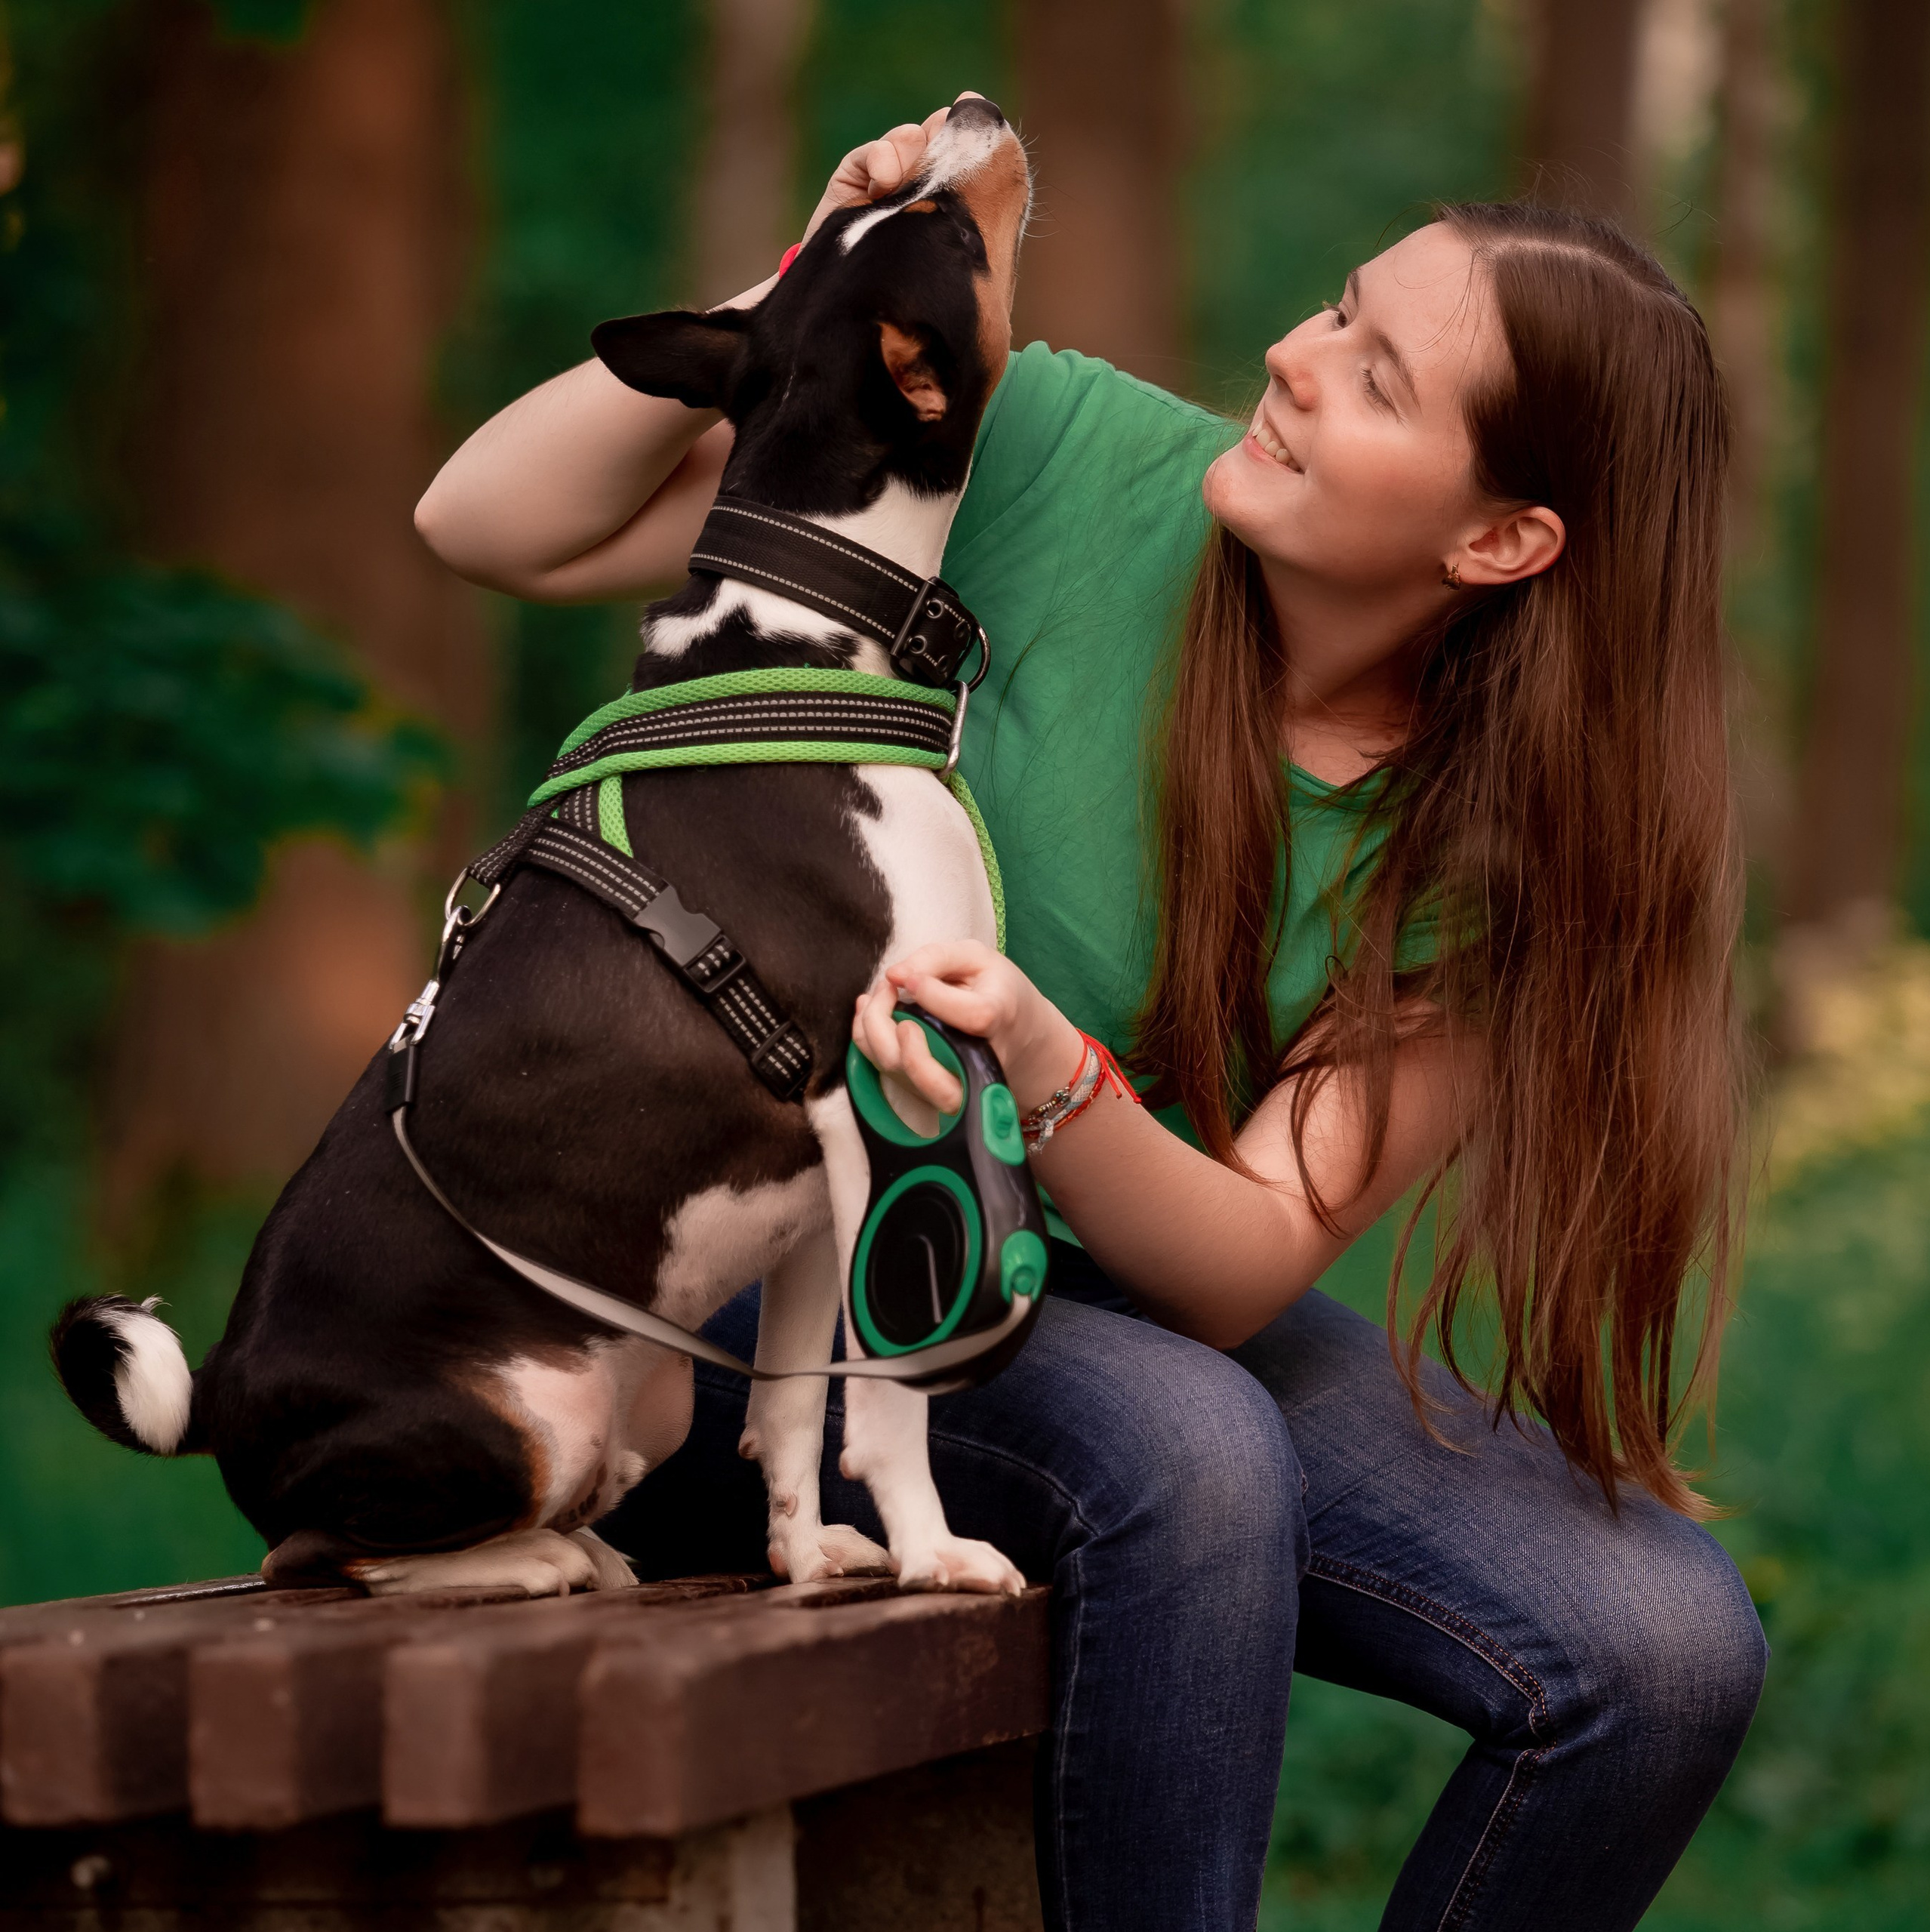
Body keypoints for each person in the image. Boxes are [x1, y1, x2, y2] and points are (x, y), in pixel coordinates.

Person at [415, 102, 1767, 1932]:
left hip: (1111, 1301)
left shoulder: (1500, 845)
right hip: (785, 1251)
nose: (1290, 361)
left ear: (1502, 539)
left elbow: (1236, 1263)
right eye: (1333, 310)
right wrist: (812, 273)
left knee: (1665, 1646)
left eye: (1373, 379)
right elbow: (485, 519)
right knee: (1192, 1459)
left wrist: (1051, 1063)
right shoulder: (1056, 449)